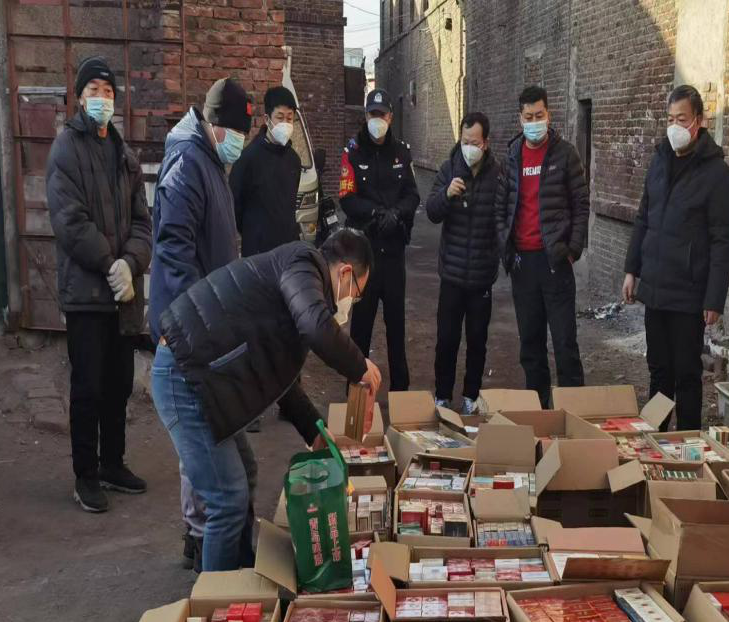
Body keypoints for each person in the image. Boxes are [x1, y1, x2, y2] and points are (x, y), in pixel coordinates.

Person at [157, 231, 382, 570]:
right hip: (186, 375)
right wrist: (359, 366)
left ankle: (243, 574)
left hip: (209, 378)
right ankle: (216, 592)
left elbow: (281, 379)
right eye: (357, 295)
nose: (350, 304)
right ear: (346, 272)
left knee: (244, 473)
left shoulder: (303, 287)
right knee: (226, 500)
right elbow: (315, 327)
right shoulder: (303, 264)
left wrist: (314, 432)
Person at [147, 77, 257, 571]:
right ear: (216, 125)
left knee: (237, 470)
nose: (241, 142)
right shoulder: (188, 164)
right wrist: (197, 323)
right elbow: (175, 250)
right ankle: (211, 577)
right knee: (223, 489)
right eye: (238, 132)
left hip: (208, 330)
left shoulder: (212, 164)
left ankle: (232, 568)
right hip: (190, 338)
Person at [45, 55, 152, 513]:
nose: (102, 99)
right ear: (79, 97)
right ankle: (85, 474)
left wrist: (131, 262)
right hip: (87, 293)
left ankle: (112, 463)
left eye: (108, 92)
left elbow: (143, 222)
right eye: (94, 91)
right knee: (88, 387)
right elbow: (69, 221)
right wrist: (110, 264)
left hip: (122, 294)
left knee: (119, 384)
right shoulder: (66, 149)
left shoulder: (124, 155)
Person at [622, 85, 729, 430]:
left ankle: (688, 444)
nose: (674, 126)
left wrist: (714, 298)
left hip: (688, 292)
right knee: (659, 371)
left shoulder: (717, 174)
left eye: (682, 119)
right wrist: (631, 270)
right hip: (655, 287)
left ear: (698, 121)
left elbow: (722, 240)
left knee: (686, 374)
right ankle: (656, 441)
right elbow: (643, 218)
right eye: (670, 119)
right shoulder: (659, 161)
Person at [496, 85, 588, 408]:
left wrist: (572, 249)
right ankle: (539, 412)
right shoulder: (511, 158)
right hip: (524, 265)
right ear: (520, 119)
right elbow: (501, 207)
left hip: (555, 263)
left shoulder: (565, 154)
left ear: (549, 115)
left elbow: (581, 203)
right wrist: (506, 249)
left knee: (565, 344)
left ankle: (574, 413)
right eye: (529, 117)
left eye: (540, 115)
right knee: (530, 347)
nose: (535, 122)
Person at [340, 89, 420, 392]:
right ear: (366, 116)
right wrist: (374, 213)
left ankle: (401, 396)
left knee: (396, 329)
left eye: (382, 114)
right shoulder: (352, 152)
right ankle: (356, 397)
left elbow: (412, 194)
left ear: (391, 117)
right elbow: (347, 197)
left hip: (393, 254)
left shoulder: (402, 152)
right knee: (360, 330)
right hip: (365, 256)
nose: (378, 120)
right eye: (372, 114)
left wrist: (397, 214)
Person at [425, 112, 502, 415]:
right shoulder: (449, 169)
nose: (469, 147)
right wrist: (447, 195)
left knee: (477, 340)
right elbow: (431, 211)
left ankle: (471, 395)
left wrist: (499, 255)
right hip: (452, 274)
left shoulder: (498, 175)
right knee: (446, 339)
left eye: (475, 143)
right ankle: (442, 394)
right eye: (465, 141)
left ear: (486, 143)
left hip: (482, 275)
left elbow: (503, 218)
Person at [229, 85, 303, 256]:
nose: (285, 124)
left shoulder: (294, 160)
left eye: (289, 118)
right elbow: (234, 207)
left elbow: (290, 206)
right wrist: (254, 233)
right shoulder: (248, 158)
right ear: (267, 119)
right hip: (257, 252)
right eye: (280, 117)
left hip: (287, 251)